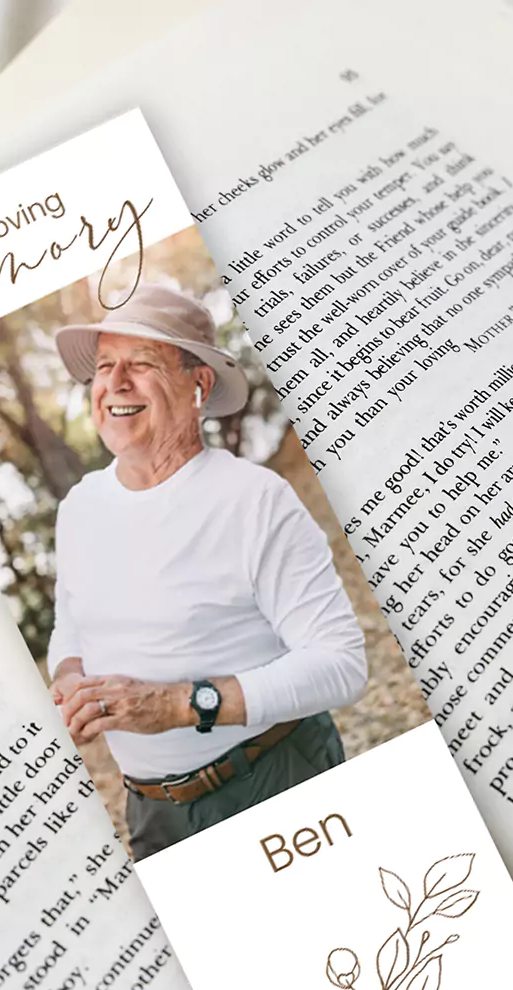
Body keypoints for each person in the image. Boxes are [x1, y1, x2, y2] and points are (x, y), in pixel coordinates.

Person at [46, 283, 367, 860]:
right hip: (151, 815)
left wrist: (177, 706)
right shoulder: (79, 508)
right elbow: (71, 623)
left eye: (141, 364)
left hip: (273, 780)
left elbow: (341, 664)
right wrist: (70, 675)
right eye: (104, 366)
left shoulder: (254, 499)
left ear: (198, 384)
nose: (115, 383)